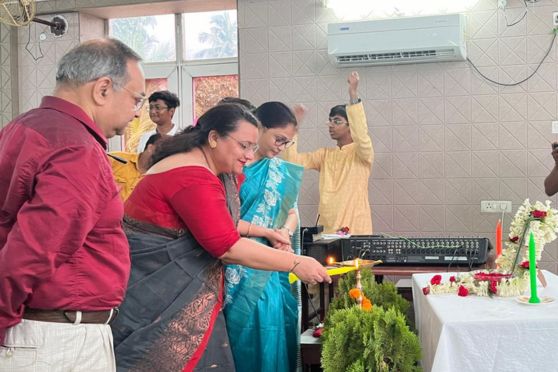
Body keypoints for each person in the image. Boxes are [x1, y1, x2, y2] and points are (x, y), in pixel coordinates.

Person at [111, 103, 330, 372]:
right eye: (244, 146)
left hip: (180, 293)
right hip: (161, 298)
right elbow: (227, 247)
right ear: (213, 138)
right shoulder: (191, 175)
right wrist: (296, 263)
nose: (250, 156)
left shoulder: (201, 166)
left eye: (252, 147)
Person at [0, 38, 144, 371]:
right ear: (103, 89)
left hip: (40, 332)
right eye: (136, 99)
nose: (137, 113)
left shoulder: (21, 127)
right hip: (57, 338)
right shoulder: (76, 148)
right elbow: (34, 250)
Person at [225, 102, 302, 372]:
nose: (281, 147)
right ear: (260, 127)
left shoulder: (278, 169)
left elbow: (290, 212)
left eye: (287, 142)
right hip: (238, 263)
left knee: (276, 329)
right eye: (278, 139)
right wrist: (268, 232)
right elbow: (224, 222)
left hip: (271, 268)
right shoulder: (234, 167)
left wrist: (285, 232)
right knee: (245, 336)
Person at [283, 71, 374, 234]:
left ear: (350, 125)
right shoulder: (325, 155)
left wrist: (353, 94)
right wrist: (293, 127)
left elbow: (361, 133)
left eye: (337, 121)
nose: (331, 125)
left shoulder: (362, 153)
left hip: (356, 229)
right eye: (330, 121)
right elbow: (292, 163)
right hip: (327, 232)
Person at [109, 133, 164, 201]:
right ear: (150, 148)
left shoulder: (159, 179)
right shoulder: (115, 159)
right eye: (164, 153)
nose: (166, 158)